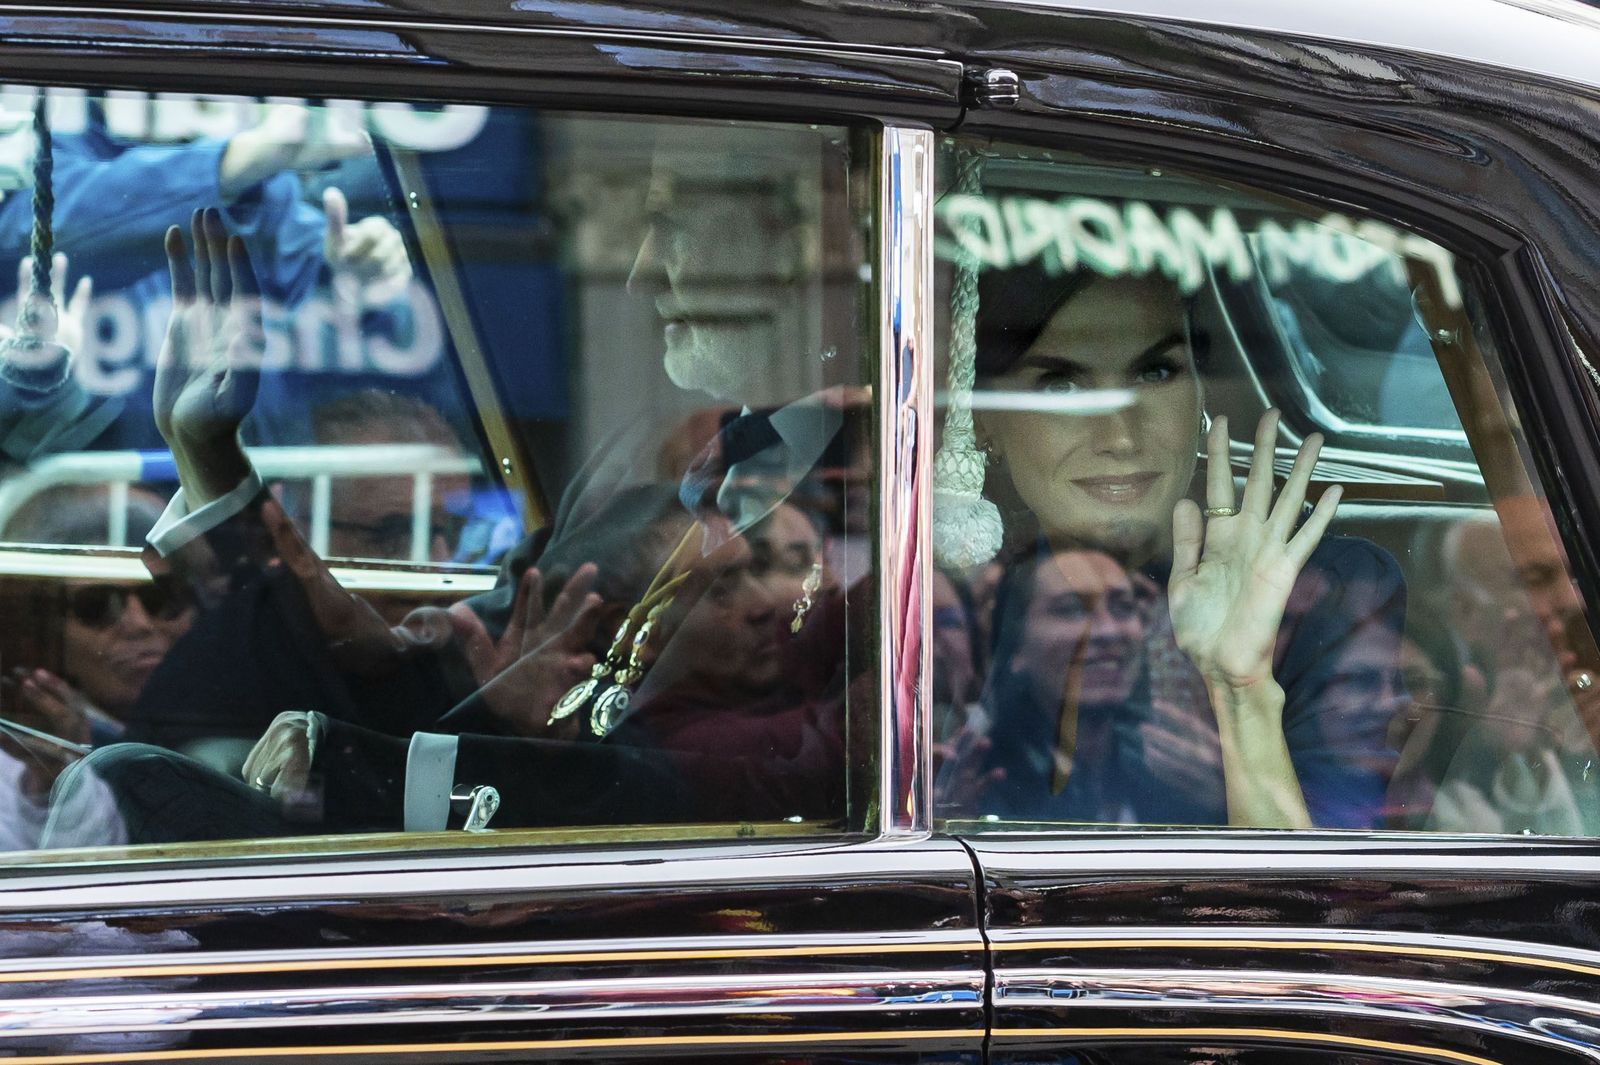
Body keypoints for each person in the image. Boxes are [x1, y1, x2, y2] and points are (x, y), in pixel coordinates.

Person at [46, 120, 863, 843]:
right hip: (514, 856)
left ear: (789, 230)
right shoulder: (638, 463)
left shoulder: (871, 480)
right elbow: (473, 660)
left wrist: (376, 762)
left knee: (128, 790)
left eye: (669, 220)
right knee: (130, 772)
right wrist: (209, 454)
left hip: (627, 916)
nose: (642, 266)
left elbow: (775, 783)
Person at [934, 259, 1407, 829]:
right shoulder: (960, 607)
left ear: (1201, 391)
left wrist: (1241, 692)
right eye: (1061, 385)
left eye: (1155, 374)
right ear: (982, 417)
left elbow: (1325, 899)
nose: (1120, 436)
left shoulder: (1328, 594)